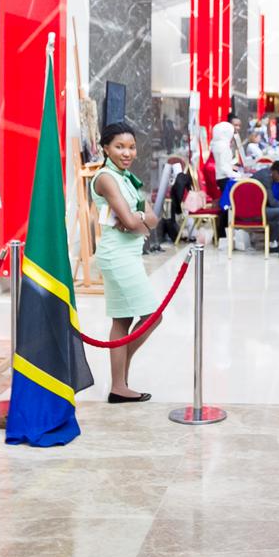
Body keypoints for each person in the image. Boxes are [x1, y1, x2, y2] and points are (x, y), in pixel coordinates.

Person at [91, 122, 160, 403]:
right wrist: (137, 220)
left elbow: (151, 219)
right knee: (152, 316)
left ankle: (119, 386)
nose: (127, 152)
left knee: (122, 319)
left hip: (128, 254)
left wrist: (137, 219)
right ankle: (120, 373)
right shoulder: (106, 178)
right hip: (116, 256)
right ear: (105, 148)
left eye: (131, 147)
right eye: (119, 147)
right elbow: (133, 223)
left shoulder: (128, 178)